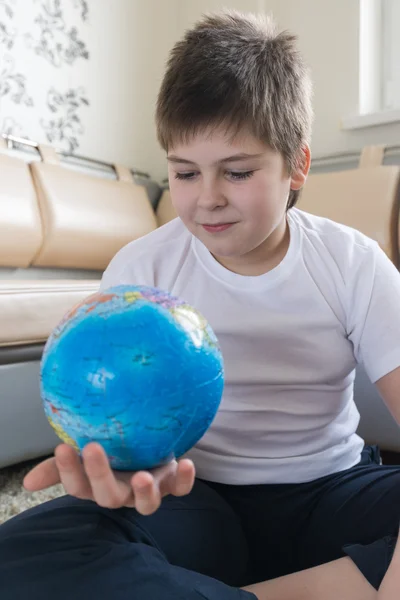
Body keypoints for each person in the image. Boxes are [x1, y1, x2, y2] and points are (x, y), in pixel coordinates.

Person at [1, 10, 400, 600]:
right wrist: (120, 468)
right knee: (22, 556)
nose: (207, 199)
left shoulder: (352, 262)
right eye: (185, 173)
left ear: (297, 166)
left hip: (330, 491)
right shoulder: (141, 270)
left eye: (237, 172)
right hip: (192, 498)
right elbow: (113, 428)